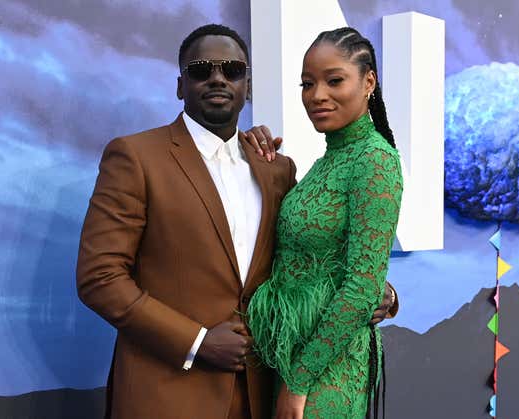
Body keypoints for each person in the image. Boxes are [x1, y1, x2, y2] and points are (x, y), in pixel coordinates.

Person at [77, 24, 396, 419]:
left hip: (264, 391)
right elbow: (100, 278)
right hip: (169, 394)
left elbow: (305, 254)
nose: (217, 78)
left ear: (248, 85)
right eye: (200, 70)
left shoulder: (276, 169)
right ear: (180, 85)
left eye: (232, 70)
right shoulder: (136, 157)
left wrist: (377, 289)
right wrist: (197, 341)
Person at [246, 27, 403, 419]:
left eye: (334, 80)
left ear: (368, 82)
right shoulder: (328, 160)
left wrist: (299, 384)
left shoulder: (375, 160)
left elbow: (361, 288)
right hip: (292, 353)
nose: (317, 95)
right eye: (307, 83)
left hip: (326, 370)